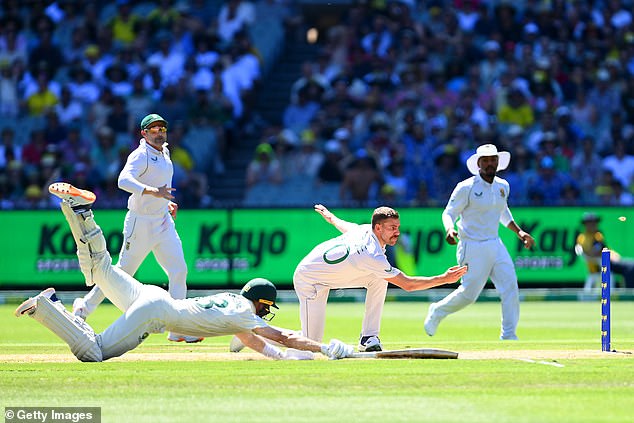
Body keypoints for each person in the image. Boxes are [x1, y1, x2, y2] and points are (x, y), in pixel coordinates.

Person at [14, 183, 354, 362]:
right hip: (155, 311)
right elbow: (282, 337)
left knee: (101, 267)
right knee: (95, 351)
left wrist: (283, 359)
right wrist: (323, 349)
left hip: (153, 294)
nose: (266, 311)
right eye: (267, 306)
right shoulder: (245, 315)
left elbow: (258, 342)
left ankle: (80, 211)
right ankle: (48, 308)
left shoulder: (234, 305)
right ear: (261, 303)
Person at [71, 113, 198, 343]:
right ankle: (83, 309)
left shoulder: (165, 152)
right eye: (154, 129)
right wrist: (153, 192)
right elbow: (123, 180)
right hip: (140, 223)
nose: (159, 133)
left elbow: (161, 185)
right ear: (144, 133)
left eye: (162, 129)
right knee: (121, 273)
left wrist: (165, 201)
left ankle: (178, 328)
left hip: (162, 221)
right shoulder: (141, 155)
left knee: (178, 271)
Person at [291, 204, 468, 351]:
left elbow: (343, 224)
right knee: (309, 345)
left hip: (325, 278)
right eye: (392, 228)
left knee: (378, 278)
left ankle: (368, 337)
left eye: (397, 227)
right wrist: (444, 278)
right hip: (309, 280)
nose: (397, 233)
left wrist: (330, 216)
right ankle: (267, 335)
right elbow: (408, 285)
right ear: (378, 227)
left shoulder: (364, 230)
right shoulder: (372, 255)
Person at [425, 144, 535, 340]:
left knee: (510, 287)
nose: (490, 164)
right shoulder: (466, 187)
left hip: (495, 243)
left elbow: (502, 212)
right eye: (485, 161)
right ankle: (437, 311)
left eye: (493, 160)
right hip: (472, 245)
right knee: (469, 295)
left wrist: (519, 232)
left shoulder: (503, 186)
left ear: (498, 162)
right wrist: (450, 229)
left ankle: (509, 335)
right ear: (478, 164)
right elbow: (449, 213)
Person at [575, 212, 634, 289]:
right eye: (591, 222)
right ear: (586, 224)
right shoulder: (583, 238)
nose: (594, 224)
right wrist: (606, 256)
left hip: (610, 260)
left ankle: (628, 291)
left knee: (630, 264)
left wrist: (612, 255)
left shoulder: (598, 234)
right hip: (602, 264)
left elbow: (604, 248)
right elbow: (590, 253)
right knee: (630, 267)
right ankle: (629, 295)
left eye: (595, 222)